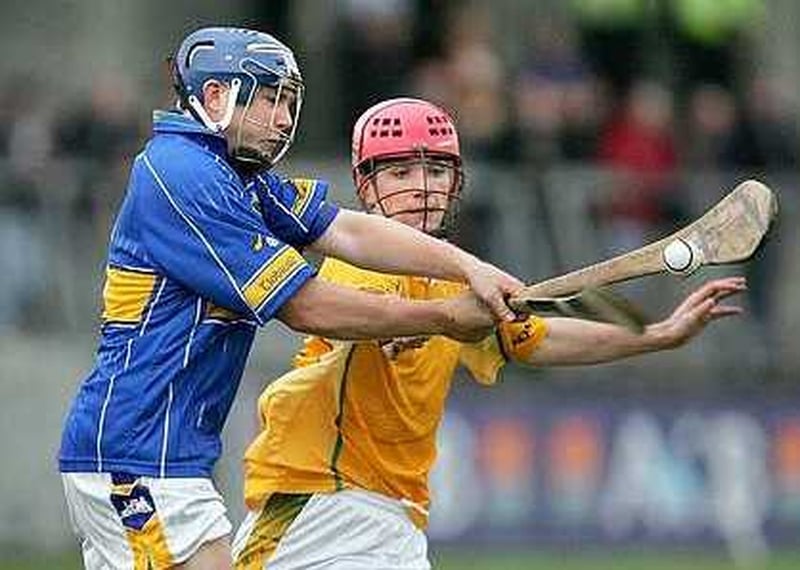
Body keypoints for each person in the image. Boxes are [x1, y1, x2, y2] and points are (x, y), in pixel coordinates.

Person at [58, 29, 523, 570]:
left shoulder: (238, 179)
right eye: (270, 99)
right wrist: (443, 314)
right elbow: (305, 305)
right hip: (134, 451)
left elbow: (348, 232)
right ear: (216, 98)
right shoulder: (183, 175)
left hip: (164, 456)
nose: (283, 119)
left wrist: (471, 267)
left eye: (289, 102)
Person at [231, 97, 747, 570]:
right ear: (366, 187)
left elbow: (539, 339)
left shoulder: (456, 285)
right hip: (318, 504)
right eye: (400, 171)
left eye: (436, 169)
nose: (422, 186)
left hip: (395, 515)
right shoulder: (360, 265)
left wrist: (656, 335)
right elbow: (358, 318)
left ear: (456, 184)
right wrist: (418, 324)